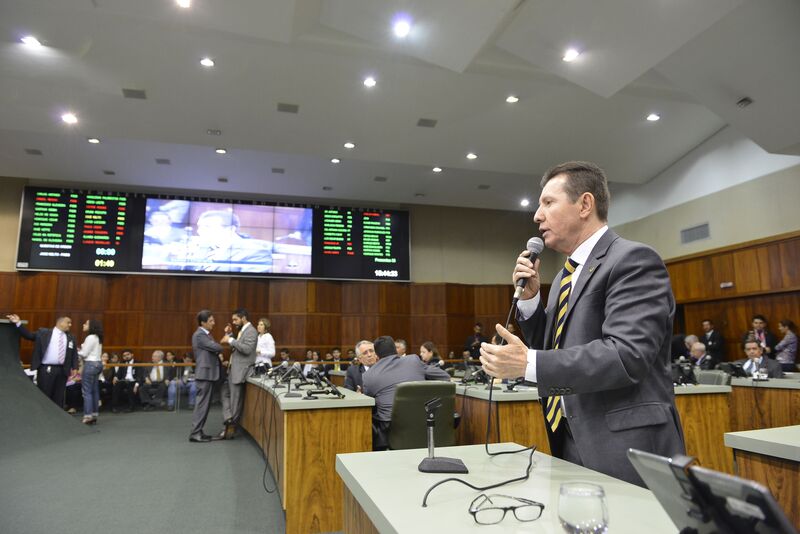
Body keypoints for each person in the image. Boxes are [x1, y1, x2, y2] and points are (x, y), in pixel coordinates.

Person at [479, 161, 685, 486]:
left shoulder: (633, 260)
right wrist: (531, 302)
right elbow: (555, 350)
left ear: (585, 204)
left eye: (548, 202)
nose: (537, 215)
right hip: (571, 437)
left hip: (626, 447)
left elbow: (626, 355)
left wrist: (527, 363)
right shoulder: (564, 276)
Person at [362, 335, 451, 450]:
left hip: (390, 430)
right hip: (422, 423)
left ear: (377, 355)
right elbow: (445, 377)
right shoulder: (413, 360)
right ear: (395, 350)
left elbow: (369, 403)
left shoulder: (368, 375)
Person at [7, 314, 79, 408]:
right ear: (60, 322)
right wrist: (18, 323)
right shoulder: (44, 333)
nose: (70, 325)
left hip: (63, 370)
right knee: (45, 395)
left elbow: (74, 354)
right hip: (46, 369)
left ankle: (56, 416)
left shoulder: (71, 337)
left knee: (59, 397)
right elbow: (29, 335)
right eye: (68, 322)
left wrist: (75, 367)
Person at [219, 308, 257, 440]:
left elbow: (247, 349)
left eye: (235, 319)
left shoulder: (251, 331)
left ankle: (231, 428)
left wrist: (230, 340)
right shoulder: (242, 331)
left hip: (241, 370)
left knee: (235, 401)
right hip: (233, 369)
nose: (234, 322)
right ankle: (229, 419)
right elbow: (237, 347)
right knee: (224, 392)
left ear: (243, 318)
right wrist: (230, 335)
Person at [190, 310, 224, 443]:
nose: (213, 323)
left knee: (204, 405)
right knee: (201, 405)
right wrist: (222, 343)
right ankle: (195, 433)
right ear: (203, 323)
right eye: (211, 321)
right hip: (204, 375)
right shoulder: (200, 335)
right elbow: (216, 347)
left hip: (208, 374)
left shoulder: (206, 334)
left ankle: (199, 431)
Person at [78, 319, 103, 424]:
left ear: (91, 326)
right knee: (94, 390)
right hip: (98, 364)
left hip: (90, 364)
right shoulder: (97, 337)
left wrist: (76, 351)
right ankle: (94, 414)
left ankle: (88, 416)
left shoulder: (90, 337)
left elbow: (84, 354)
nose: (83, 325)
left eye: (86, 323)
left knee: (87, 391)